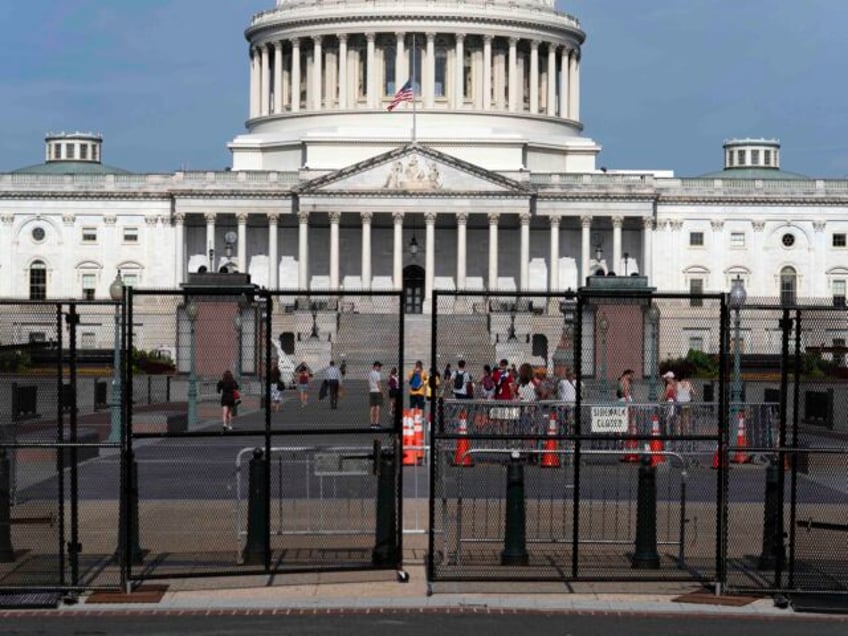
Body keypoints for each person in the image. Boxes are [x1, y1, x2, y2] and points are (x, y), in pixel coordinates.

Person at [675, 372, 696, 438]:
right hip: (687, 403)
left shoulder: (677, 384)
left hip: (679, 402)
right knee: (686, 418)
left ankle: (678, 433)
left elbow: (675, 394)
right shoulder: (688, 383)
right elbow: (694, 393)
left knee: (679, 418)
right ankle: (686, 432)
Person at [367, 361, 384, 429]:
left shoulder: (370, 373)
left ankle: (372, 424)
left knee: (372, 408)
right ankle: (376, 423)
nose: (380, 368)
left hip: (371, 391)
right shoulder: (377, 373)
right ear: (375, 366)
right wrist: (382, 393)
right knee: (377, 408)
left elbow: (368, 383)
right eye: (379, 366)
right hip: (377, 391)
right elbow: (379, 383)